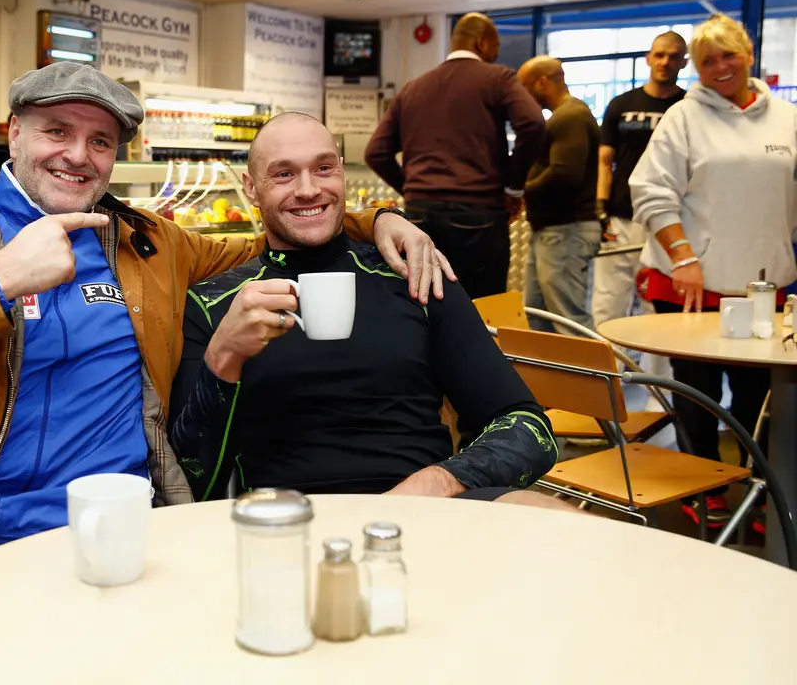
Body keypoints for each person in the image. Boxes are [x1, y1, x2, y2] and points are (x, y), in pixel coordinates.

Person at [0, 63, 453, 683]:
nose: (77, 155)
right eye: (57, 131)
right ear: (15, 135)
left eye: (99, 142)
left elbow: (275, 231)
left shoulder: (149, 243)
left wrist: (380, 220)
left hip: (105, 531)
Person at [170, 112, 564, 510]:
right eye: (284, 175)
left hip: (425, 512)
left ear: (340, 173)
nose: (308, 190)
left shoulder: (414, 275)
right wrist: (224, 358)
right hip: (288, 525)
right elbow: (193, 479)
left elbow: (530, 430)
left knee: (550, 514)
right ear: (252, 189)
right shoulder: (215, 304)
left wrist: (438, 482)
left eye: (323, 168)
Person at [630, 14, 796, 529]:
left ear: (748, 52)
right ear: (695, 69)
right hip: (690, 286)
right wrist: (684, 258)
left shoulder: (786, 117)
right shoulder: (683, 118)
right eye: (707, 61)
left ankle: (754, 488)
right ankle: (703, 490)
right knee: (698, 396)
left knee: (755, 398)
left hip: (760, 287)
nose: (720, 67)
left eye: (729, 55)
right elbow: (651, 191)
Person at [365, 12, 547, 298]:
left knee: (428, 303)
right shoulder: (497, 78)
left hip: (421, 217)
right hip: (479, 217)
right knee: (483, 311)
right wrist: (512, 188)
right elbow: (533, 123)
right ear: (483, 43)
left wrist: (415, 190)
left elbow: (375, 152)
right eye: (495, 48)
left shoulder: (413, 88)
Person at [592, 32, 687, 361]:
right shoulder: (621, 105)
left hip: (667, 221)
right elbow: (605, 162)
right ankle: (606, 385)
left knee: (658, 306)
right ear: (648, 57)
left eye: (673, 56)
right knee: (608, 302)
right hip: (621, 216)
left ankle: (657, 397)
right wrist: (601, 210)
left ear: (683, 62)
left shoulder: (688, 108)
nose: (665, 62)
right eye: (659, 55)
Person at [516, 56, 603, 333]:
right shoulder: (565, 117)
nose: (521, 96)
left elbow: (565, 173)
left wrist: (519, 192)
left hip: (566, 232)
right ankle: (545, 377)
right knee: (538, 319)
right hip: (553, 232)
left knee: (570, 322)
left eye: (524, 87)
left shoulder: (570, 117)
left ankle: (594, 377)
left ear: (542, 82)